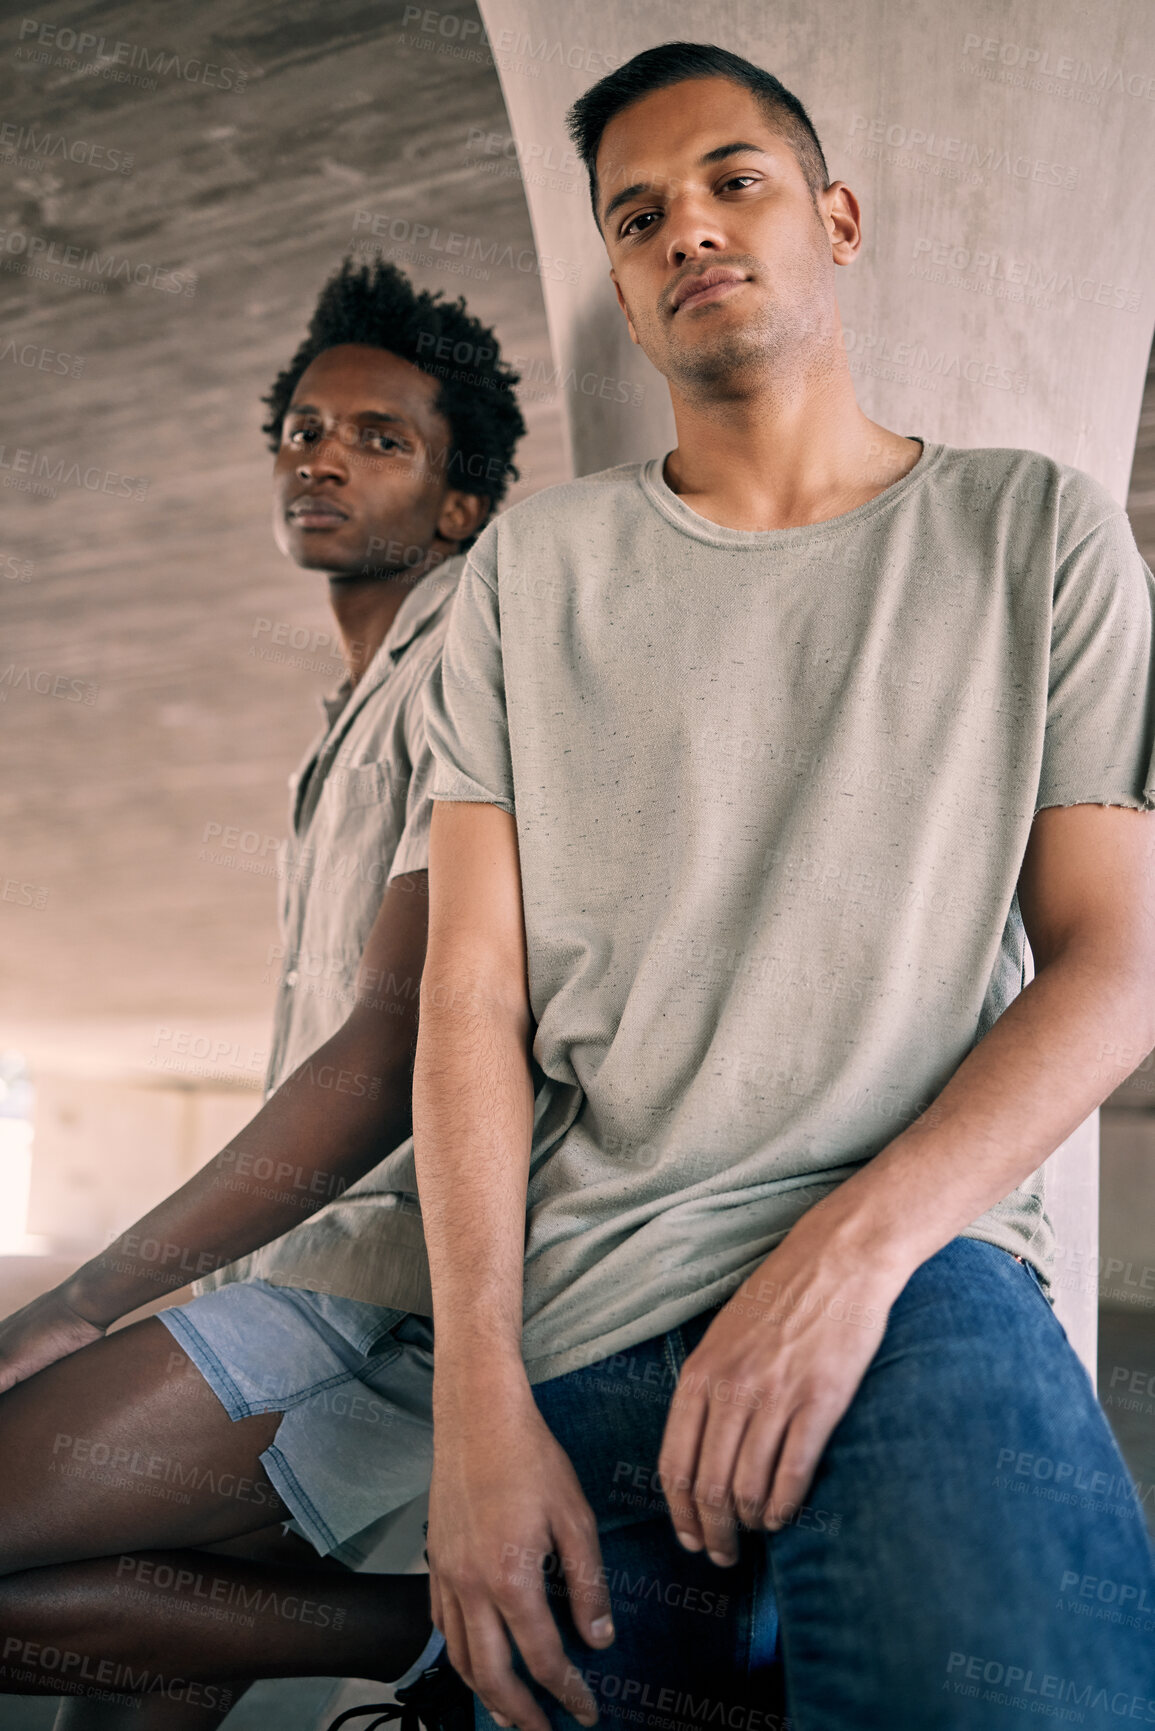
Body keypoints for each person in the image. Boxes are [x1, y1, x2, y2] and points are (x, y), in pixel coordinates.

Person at [410, 40, 1155, 1731]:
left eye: (733, 182)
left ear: (836, 217)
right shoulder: (533, 569)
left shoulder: (1035, 533)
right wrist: (476, 1398)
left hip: (920, 1280)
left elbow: (1119, 964)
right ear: (618, 274)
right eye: (639, 216)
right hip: (588, 1329)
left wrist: (847, 1258)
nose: (689, 230)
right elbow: (470, 996)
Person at [0, 256, 523, 1729]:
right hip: (297, 1270)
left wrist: (94, 1293)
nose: (322, 455)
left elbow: (389, 1049)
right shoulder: (348, 712)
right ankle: (419, 1639)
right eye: (304, 426)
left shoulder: (463, 657)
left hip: (376, 1289)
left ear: (462, 501)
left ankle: (420, 1634)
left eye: (380, 438)